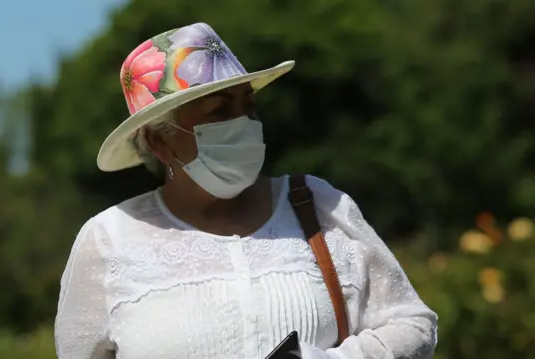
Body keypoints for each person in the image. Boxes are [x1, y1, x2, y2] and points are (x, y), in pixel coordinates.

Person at [54, 22, 438, 359]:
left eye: (248, 107)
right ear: (160, 143)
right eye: (219, 112)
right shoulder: (108, 241)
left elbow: (412, 324)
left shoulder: (317, 207)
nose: (244, 123)